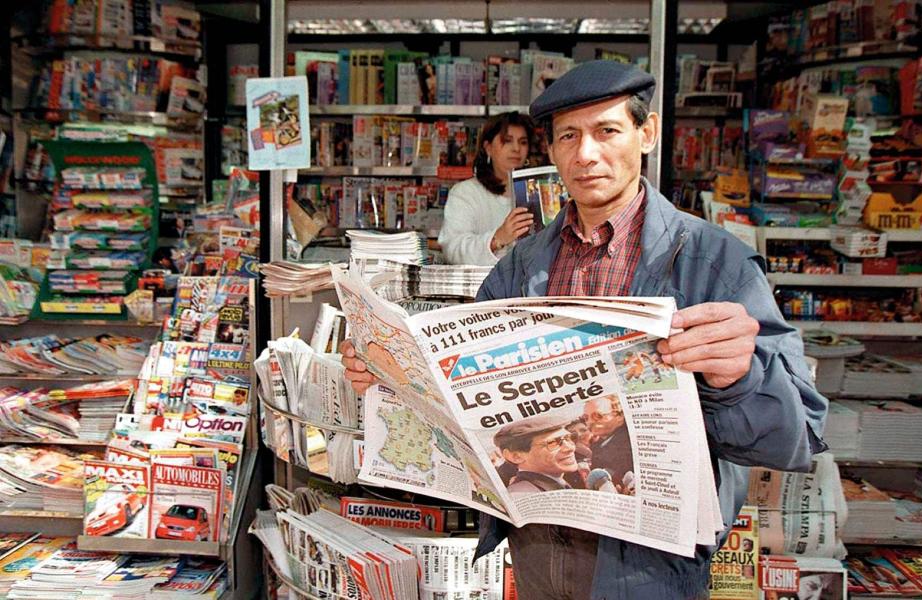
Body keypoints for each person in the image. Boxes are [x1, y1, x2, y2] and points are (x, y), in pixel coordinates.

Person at [342, 60, 828, 599]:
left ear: (647, 134)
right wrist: (394, 382)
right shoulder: (517, 268)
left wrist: (739, 377)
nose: (586, 154)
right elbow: (470, 416)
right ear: (549, 152)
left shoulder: (717, 264)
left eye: (608, 131)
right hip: (539, 551)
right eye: (568, 136)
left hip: (652, 568)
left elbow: (798, 437)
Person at [437, 112, 536, 265]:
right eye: (507, 141)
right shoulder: (466, 193)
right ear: (488, 147)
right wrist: (497, 239)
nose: (516, 148)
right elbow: (452, 249)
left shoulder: (537, 193)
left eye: (523, 142)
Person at [492, 414, 579, 496]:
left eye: (568, 438)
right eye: (552, 443)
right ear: (515, 456)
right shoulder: (523, 494)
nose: (570, 448)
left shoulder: (553, 483)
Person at [582, 395, 631, 489]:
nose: (590, 422)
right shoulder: (598, 443)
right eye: (586, 418)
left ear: (619, 416)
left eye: (597, 416)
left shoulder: (627, 442)